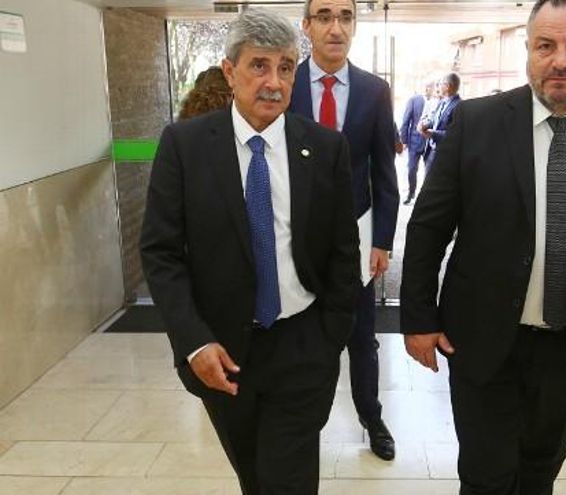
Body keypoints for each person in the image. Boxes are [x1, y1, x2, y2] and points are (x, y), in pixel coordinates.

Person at [400, 0, 566, 493]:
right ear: (529, 49)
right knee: (486, 475)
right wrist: (418, 316)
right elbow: (427, 227)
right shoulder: (478, 122)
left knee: (541, 467)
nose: (560, 60)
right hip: (482, 336)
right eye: (545, 45)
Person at [140, 8, 360, 495]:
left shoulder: (325, 149)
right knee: (254, 476)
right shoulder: (186, 145)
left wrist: (330, 339)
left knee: (289, 480)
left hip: (304, 344)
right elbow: (160, 252)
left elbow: (345, 252)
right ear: (229, 71)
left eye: (285, 67)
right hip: (223, 352)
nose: (274, 82)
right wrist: (194, 342)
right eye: (259, 65)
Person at [290, 0, 399, 461]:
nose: (336, 27)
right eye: (325, 16)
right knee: (298, 333)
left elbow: (384, 171)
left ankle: (372, 417)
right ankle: (297, 420)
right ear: (307, 25)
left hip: (354, 237)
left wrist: (382, 240)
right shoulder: (285, 82)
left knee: (361, 336)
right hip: (291, 235)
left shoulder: (374, 90)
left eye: (346, 17)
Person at [420, 72, 462, 172]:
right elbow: (434, 120)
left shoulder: (459, 106)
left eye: (440, 84)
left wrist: (432, 133)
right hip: (431, 151)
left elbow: (454, 134)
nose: (438, 87)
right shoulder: (442, 102)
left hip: (444, 155)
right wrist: (424, 125)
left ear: (447, 86)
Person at [399, 82, 432, 205]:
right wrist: (404, 141)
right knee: (412, 169)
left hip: (430, 142)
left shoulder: (437, 101)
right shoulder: (414, 100)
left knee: (429, 171)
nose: (428, 88)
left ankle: (425, 196)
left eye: (431, 86)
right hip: (414, 141)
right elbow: (405, 121)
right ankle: (411, 193)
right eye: (426, 85)